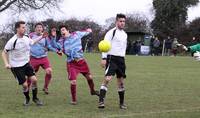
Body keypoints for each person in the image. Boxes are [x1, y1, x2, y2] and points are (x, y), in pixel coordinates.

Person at [1, 21, 45, 106]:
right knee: (25, 85)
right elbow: (4, 52)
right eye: (23, 27)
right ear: (17, 28)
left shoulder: (26, 37)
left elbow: (32, 42)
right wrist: (6, 63)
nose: (25, 29)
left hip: (26, 63)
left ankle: (35, 98)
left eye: (25, 27)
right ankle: (27, 98)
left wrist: (41, 37)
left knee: (34, 80)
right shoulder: (12, 41)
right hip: (16, 67)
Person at [58, 25, 99, 105]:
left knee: (89, 78)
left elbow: (85, 32)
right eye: (61, 31)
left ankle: (92, 91)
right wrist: (59, 52)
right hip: (72, 63)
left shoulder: (76, 34)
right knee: (73, 82)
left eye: (63, 30)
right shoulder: (61, 41)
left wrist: (89, 30)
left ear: (68, 30)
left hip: (81, 62)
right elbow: (59, 49)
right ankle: (74, 100)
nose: (62, 32)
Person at [99, 13, 127, 109]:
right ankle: (101, 101)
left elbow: (123, 48)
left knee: (121, 82)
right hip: (112, 58)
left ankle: (121, 104)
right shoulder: (111, 32)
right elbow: (104, 45)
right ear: (116, 22)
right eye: (120, 21)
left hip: (121, 60)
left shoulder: (125, 34)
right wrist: (104, 58)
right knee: (107, 79)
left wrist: (123, 60)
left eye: (123, 21)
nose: (122, 23)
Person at [29, 23, 62, 94]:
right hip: (33, 58)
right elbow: (26, 44)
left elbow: (49, 46)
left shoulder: (45, 36)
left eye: (40, 27)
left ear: (42, 29)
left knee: (49, 71)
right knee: (30, 75)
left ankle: (45, 87)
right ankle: (26, 87)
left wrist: (56, 51)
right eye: (37, 27)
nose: (39, 28)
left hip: (43, 58)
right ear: (35, 29)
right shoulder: (31, 35)